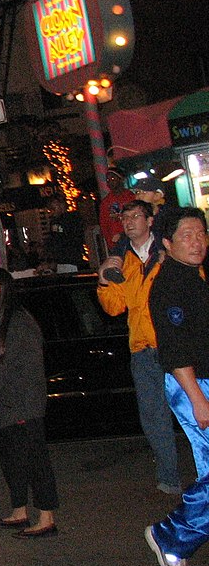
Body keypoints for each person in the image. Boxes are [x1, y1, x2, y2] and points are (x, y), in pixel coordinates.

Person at [98, 199, 183, 495]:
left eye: (136, 216)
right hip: (142, 348)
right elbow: (113, 308)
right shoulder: (123, 260)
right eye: (125, 218)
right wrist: (104, 281)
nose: (130, 221)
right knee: (154, 416)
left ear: (150, 221)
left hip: (173, 345)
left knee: (193, 409)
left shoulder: (168, 253)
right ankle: (170, 476)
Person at [146, 207, 209, 566]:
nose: (197, 240)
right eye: (187, 234)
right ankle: (171, 535)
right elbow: (174, 349)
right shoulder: (171, 283)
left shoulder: (194, 279)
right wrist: (198, 399)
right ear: (167, 243)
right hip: (193, 386)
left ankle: (176, 539)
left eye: (201, 232)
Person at [0, 269, 59, 538]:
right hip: (3, 408)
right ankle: (19, 509)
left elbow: (29, 368)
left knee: (35, 461)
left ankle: (46, 517)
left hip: (21, 405)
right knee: (13, 461)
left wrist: (19, 402)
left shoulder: (18, 321)